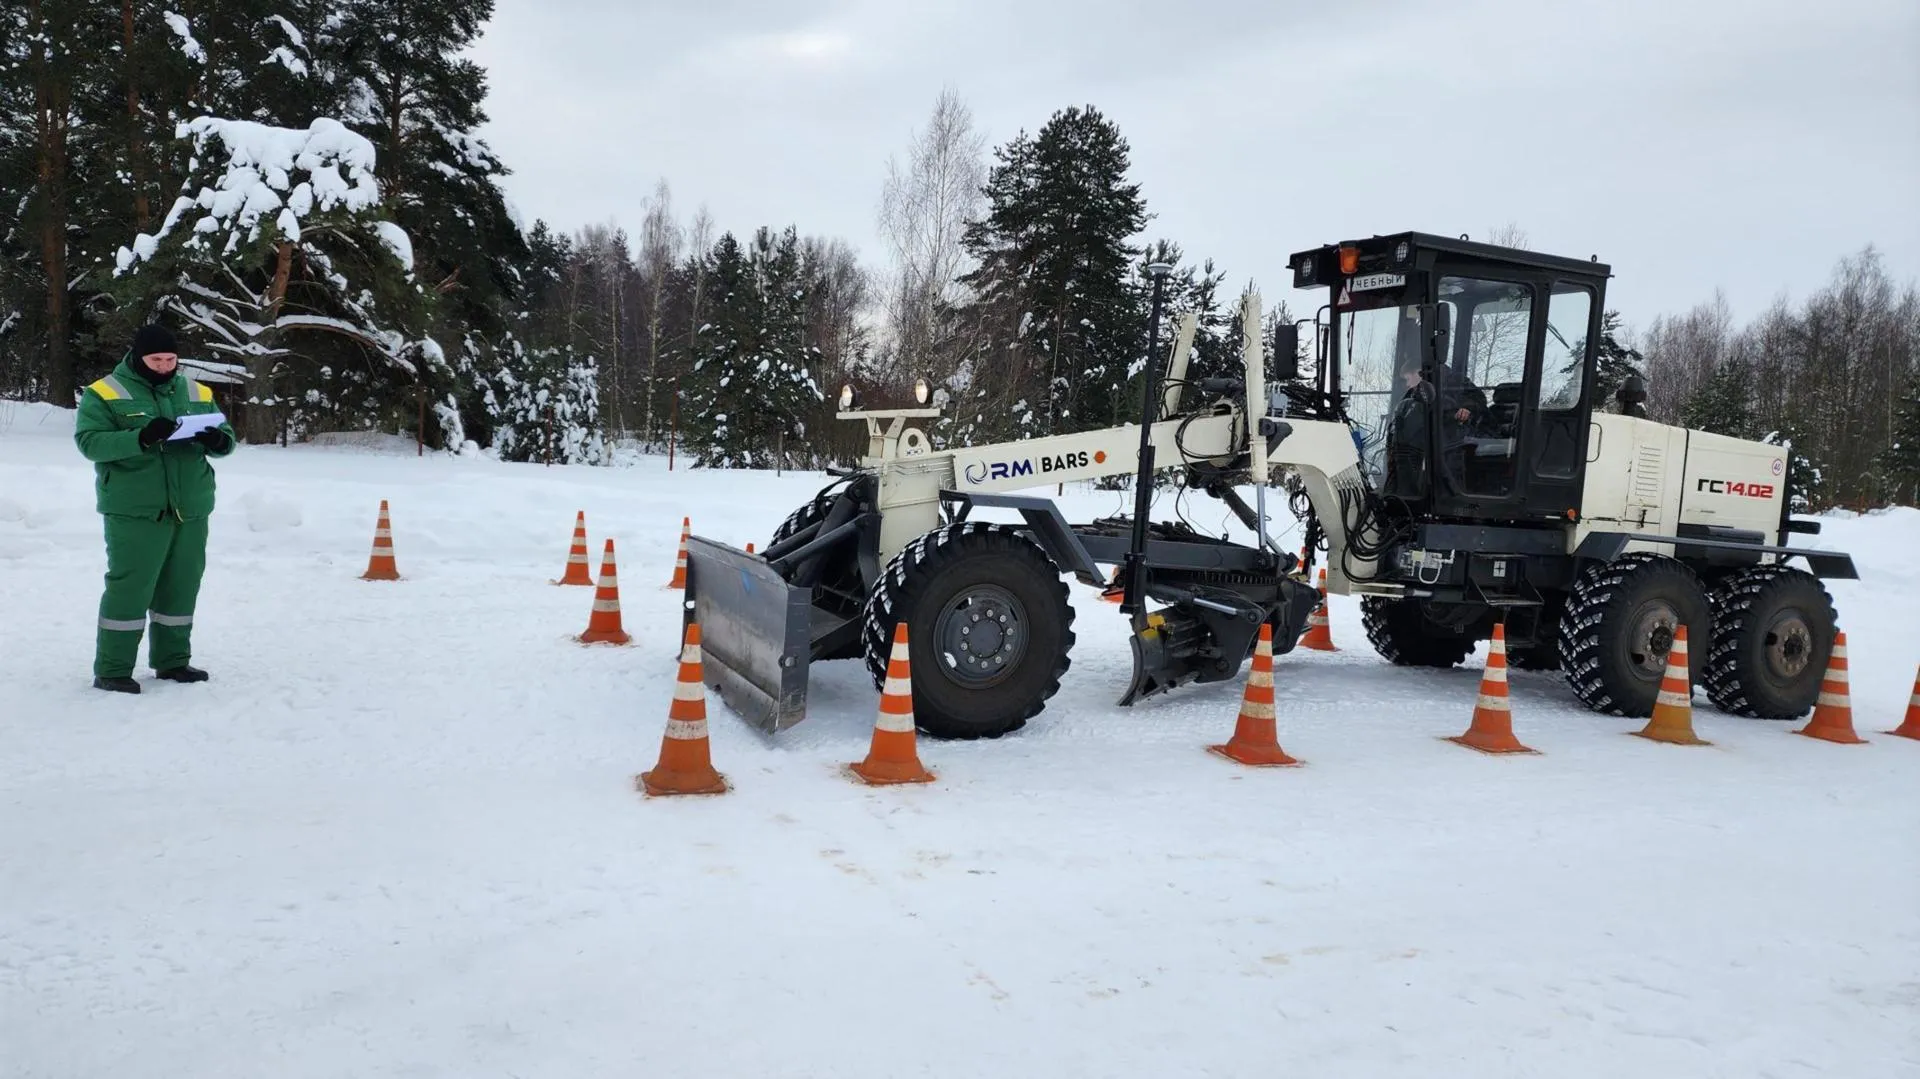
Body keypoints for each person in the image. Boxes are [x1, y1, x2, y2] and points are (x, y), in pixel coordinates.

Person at [72, 324, 238, 693]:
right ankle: (113, 670)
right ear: (138, 357)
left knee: (181, 586)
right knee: (131, 586)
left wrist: (217, 440)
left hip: (191, 507)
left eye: (171, 359)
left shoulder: (197, 390)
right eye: (156, 359)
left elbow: (227, 439)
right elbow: (90, 442)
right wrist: (142, 436)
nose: (165, 366)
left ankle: (173, 662)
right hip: (135, 509)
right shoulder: (104, 393)